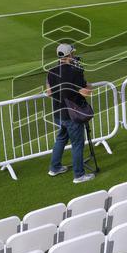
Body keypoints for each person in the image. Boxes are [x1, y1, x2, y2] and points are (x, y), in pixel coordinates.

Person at [46, 43, 95, 183]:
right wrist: (89, 85)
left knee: (61, 139)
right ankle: (79, 175)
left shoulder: (51, 71)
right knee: (77, 144)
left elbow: (49, 92)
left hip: (58, 113)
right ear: (70, 54)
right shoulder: (75, 71)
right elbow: (86, 92)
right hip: (73, 114)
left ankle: (54, 168)